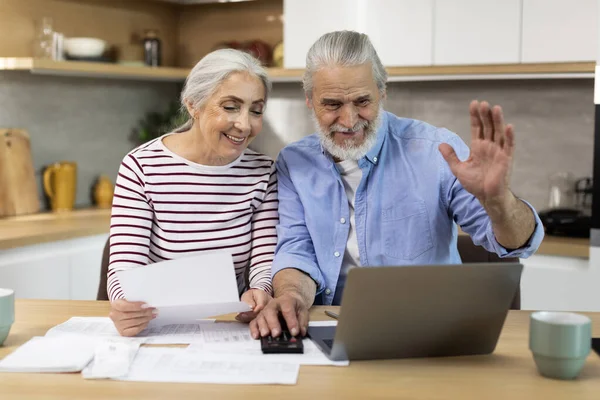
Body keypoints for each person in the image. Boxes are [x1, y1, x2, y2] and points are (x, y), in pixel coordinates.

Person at [249, 31, 544, 339]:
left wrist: (499, 202)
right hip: (330, 327)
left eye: (362, 101)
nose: (349, 121)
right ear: (310, 100)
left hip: (430, 329)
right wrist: (293, 295)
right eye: (332, 104)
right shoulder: (294, 162)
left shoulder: (436, 150)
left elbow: (517, 242)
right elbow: (296, 248)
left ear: (382, 91)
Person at [107, 49, 278, 336]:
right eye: (230, 107)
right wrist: (125, 306)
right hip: (158, 325)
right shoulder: (141, 166)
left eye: (256, 110)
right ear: (193, 105)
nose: (245, 124)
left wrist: (260, 291)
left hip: (229, 327)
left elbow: (264, 261)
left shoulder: (263, 172)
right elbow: (124, 270)